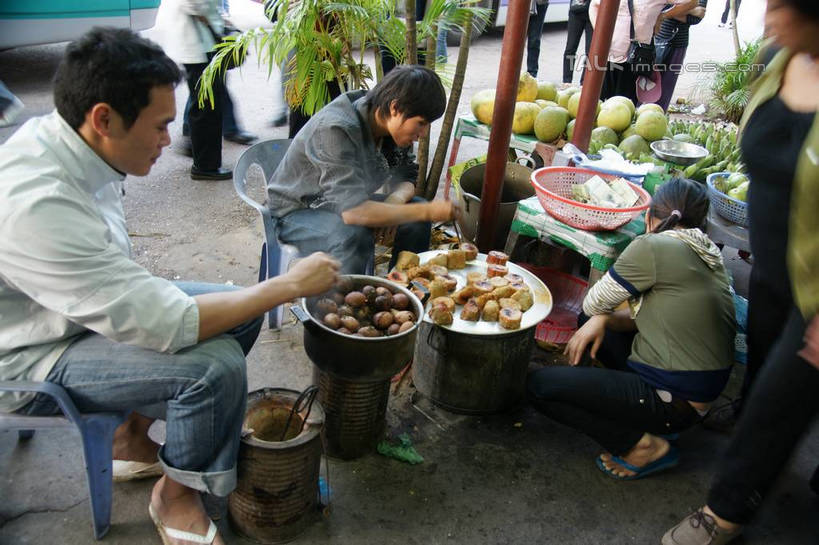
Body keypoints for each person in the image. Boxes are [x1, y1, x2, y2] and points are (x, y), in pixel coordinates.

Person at [0, 28, 340, 545]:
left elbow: (120, 285)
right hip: (34, 351)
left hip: (78, 306)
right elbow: (168, 323)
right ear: (103, 118)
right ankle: (176, 495)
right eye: (160, 127)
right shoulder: (37, 201)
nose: (168, 140)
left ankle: (127, 436)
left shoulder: (75, 143)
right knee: (215, 369)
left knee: (239, 313)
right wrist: (288, 285)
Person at [662, 0, 819, 542]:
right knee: (762, 373)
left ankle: (724, 512)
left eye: (781, 7)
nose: (765, 17)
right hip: (778, 263)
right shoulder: (779, 58)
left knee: (783, 399)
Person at [527, 178, 736, 480]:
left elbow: (594, 301)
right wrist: (606, 320)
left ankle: (642, 446)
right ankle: (650, 421)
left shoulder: (654, 245)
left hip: (673, 402)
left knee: (540, 387)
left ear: (651, 217)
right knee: (596, 322)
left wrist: (601, 315)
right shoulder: (707, 253)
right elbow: (650, 315)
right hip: (694, 397)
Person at [267, 65, 459, 274]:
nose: (423, 133)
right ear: (395, 108)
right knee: (353, 235)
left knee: (416, 221)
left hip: (343, 203)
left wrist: (395, 202)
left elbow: (407, 176)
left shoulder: (392, 123)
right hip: (296, 212)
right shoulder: (335, 129)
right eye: (421, 123)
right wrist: (428, 210)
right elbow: (355, 213)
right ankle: (338, 305)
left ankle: (403, 292)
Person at [158, 0, 233, 180]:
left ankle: (203, 158)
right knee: (206, 107)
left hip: (199, 44)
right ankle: (205, 165)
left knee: (205, 104)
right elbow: (194, 4)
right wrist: (213, 21)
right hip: (197, 45)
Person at [590, 0, 683, 102]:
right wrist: (601, 34)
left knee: (625, 106)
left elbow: (691, 2)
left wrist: (662, 16)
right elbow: (594, 6)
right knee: (601, 104)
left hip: (635, 59)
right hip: (608, 54)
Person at [650, 1, 707, 111]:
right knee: (648, 84)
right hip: (657, 38)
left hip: (679, 44)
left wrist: (667, 12)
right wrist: (691, 9)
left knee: (666, 88)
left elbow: (697, 18)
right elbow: (659, 7)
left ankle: (657, 116)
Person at [562, 0, 594, 84]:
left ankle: (584, 83)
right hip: (576, 11)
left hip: (593, 11)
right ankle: (566, 81)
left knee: (590, 51)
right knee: (570, 48)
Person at [526, 0, 550, 78]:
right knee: (515, 40)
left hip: (539, 4)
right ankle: (511, 71)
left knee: (534, 40)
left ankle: (532, 74)